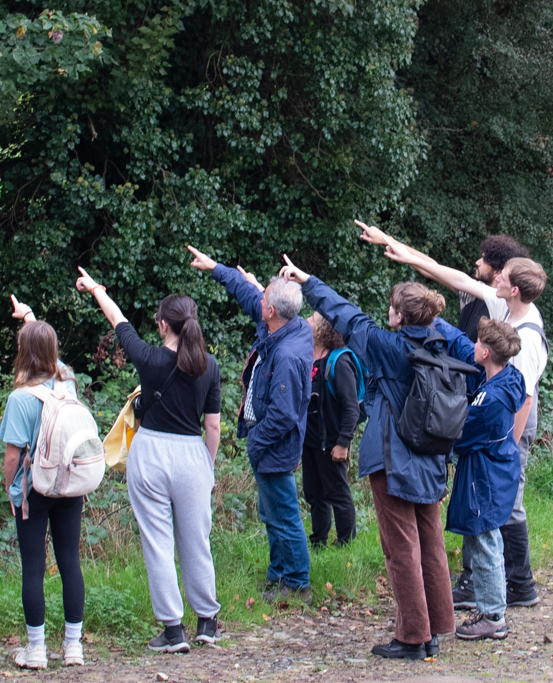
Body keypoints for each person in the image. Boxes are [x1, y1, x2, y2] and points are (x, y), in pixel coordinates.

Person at [282, 255, 476, 660]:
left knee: (400, 547)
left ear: (399, 316)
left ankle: (410, 637)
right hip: (431, 458)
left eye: (391, 305)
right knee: (430, 542)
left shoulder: (391, 348)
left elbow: (347, 316)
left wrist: (308, 281)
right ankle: (434, 630)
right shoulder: (439, 344)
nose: (385, 310)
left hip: (393, 458)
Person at [356, 225, 549, 608]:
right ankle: (480, 582)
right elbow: (453, 276)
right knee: (485, 504)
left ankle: (517, 585)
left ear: (512, 287)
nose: (486, 271)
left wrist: (505, 446)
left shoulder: (525, 336)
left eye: (500, 273)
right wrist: (399, 247)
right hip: (495, 422)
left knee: (504, 504)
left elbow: (523, 398)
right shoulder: (505, 307)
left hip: (508, 426)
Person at [73, 268, 225, 652]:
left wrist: (95, 287)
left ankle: (173, 631)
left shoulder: (149, 358)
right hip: (192, 454)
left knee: (157, 541)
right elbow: (213, 427)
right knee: (196, 539)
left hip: (152, 451)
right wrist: (207, 466)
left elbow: (118, 320)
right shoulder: (210, 366)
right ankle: (207, 621)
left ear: (162, 325)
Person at [188, 244, 314, 594]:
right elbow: (249, 293)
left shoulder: (287, 354)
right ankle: (279, 573)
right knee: (271, 512)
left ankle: (296, 582)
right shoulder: (289, 326)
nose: (258, 301)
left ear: (271, 310)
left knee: (284, 515)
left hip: (275, 444)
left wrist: (257, 443)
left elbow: (284, 414)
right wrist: (216, 267)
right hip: (269, 444)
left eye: (264, 299)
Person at [0, 295, 89, 667]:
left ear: (22, 353)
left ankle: (36, 648)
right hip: (69, 485)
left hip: (33, 491)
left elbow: (12, 457)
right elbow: (43, 346)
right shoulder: (66, 383)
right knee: (70, 561)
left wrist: (10, 490)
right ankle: (73, 646)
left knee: (33, 566)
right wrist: (32, 319)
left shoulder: (19, 399)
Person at [447, 317, 526, 641]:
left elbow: (460, 437)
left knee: (485, 542)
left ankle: (493, 615)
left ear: (487, 352)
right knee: (481, 539)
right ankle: (487, 603)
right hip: (498, 470)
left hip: (485, 477)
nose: (474, 345)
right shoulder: (509, 378)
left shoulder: (489, 400)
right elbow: (463, 347)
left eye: (479, 342)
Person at [303, 314, 363, 547]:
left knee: (337, 492)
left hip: (332, 440)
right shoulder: (308, 357)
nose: (307, 319)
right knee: (314, 493)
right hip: (310, 440)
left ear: (324, 328)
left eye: (313, 317)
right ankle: (318, 542)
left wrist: (343, 442)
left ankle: (346, 543)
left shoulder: (339, 361)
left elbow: (351, 407)